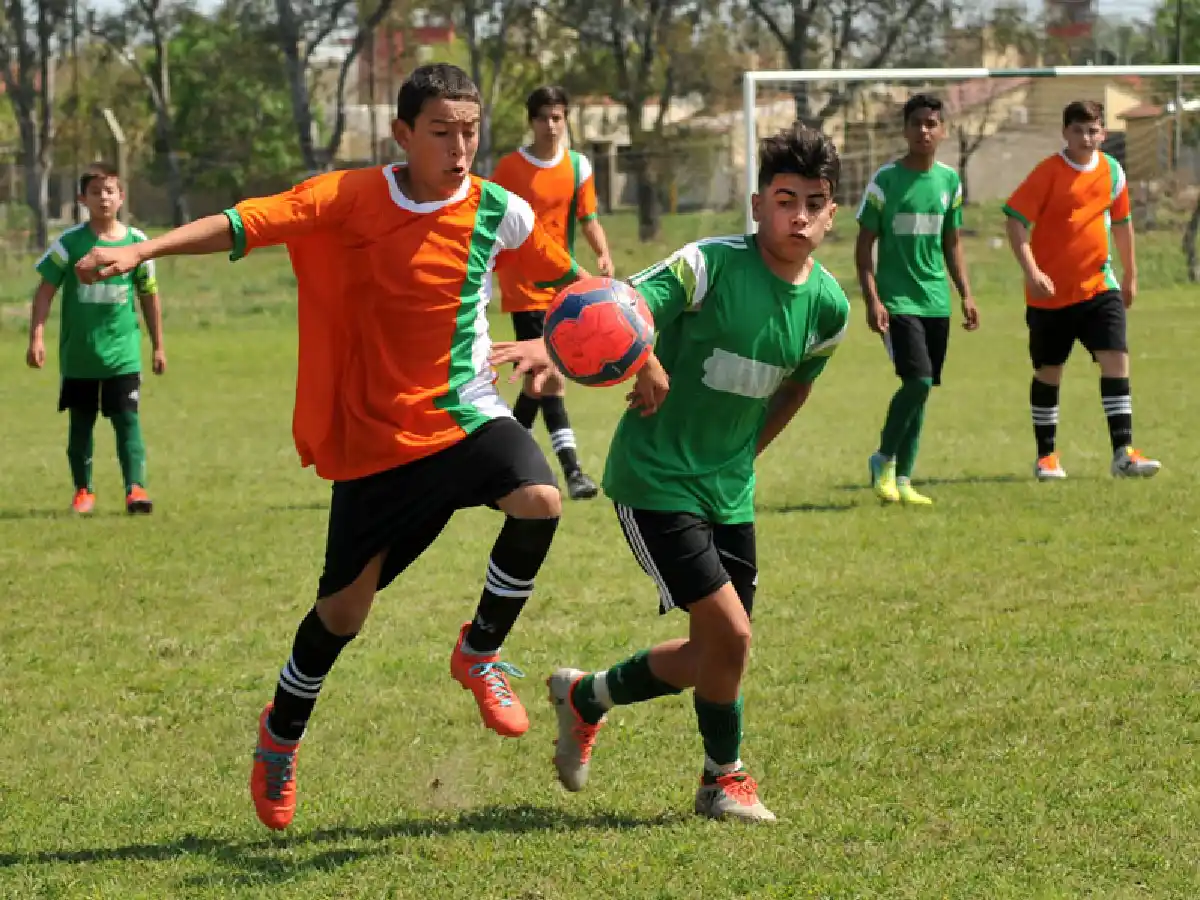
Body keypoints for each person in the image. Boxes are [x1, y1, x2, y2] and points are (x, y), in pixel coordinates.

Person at [76, 63, 585, 831]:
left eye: (471, 132)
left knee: (541, 499)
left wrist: (599, 348)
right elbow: (247, 221)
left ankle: (479, 653)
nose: (459, 148)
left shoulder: (498, 210)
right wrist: (144, 253)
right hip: (377, 444)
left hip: (466, 414)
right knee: (342, 614)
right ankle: (281, 732)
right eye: (442, 132)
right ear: (403, 134)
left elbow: (573, 282)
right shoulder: (348, 197)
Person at [493, 124, 850, 823]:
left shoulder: (829, 308)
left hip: (728, 489)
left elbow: (796, 388)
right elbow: (617, 307)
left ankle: (585, 696)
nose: (799, 215)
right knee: (734, 638)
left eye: (815, 202)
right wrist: (634, 359)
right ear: (757, 205)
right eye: (784, 199)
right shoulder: (709, 265)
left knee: (713, 651)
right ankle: (724, 780)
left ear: (833, 212)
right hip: (655, 478)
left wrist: (744, 458)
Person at [1004, 99, 1160, 480]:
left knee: (1116, 359)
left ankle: (1123, 453)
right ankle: (1046, 457)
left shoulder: (1112, 170)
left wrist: (1131, 275)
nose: (1086, 138)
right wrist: (1032, 271)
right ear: (1065, 133)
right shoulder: (1048, 173)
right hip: (1050, 294)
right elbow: (1015, 223)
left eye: (1093, 131)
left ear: (1103, 133)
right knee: (1049, 372)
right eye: (1078, 130)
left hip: (1098, 286)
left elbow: (1122, 224)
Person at [489, 85, 613, 501]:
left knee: (538, 381)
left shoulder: (579, 167)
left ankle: (501, 458)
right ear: (532, 121)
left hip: (564, 285)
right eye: (543, 117)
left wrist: (603, 255)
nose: (551, 125)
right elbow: (489, 220)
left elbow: (588, 218)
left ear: (566, 119)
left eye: (558, 117)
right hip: (525, 287)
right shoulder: (510, 168)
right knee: (552, 374)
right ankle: (573, 472)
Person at [857, 93, 979, 507]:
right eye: (917, 123)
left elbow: (953, 242)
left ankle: (905, 479)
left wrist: (965, 293)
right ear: (905, 129)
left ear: (943, 130)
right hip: (898, 301)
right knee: (918, 380)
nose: (924, 130)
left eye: (931, 123)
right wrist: (873, 299)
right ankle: (883, 459)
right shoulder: (885, 181)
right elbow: (863, 247)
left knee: (922, 389)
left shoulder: (949, 182)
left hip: (936, 301)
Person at [27, 162, 165, 515]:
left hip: (124, 354)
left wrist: (158, 345)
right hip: (81, 355)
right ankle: (83, 491)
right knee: (81, 424)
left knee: (127, 421)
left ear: (121, 197)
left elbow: (149, 294)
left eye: (110, 191)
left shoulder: (137, 244)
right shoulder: (70, 243)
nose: (103, 198)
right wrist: (36, 337)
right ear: (82, 199)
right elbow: (44, 291)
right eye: (95, 192)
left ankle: (136, 489)